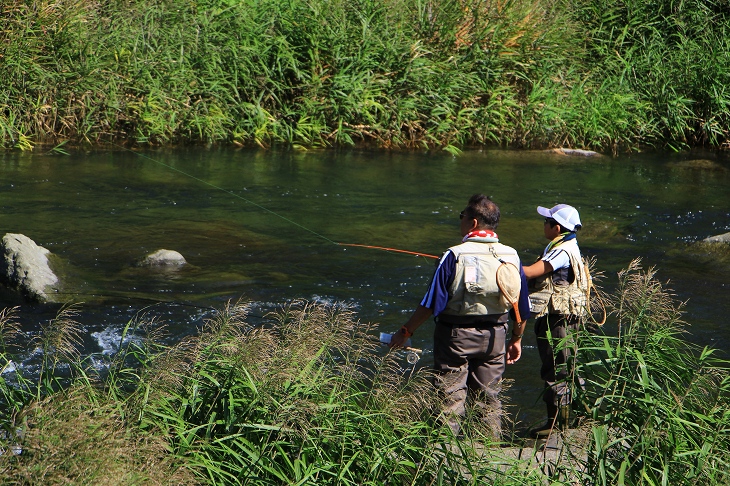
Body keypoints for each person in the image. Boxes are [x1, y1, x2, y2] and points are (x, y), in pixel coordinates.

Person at [389, 194, 530, 438]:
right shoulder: (512, 255)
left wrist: (405, 332)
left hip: (455, 337)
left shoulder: (453, 255)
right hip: (496, 337)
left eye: (462, 216)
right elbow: (522, 306)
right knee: (488, 401)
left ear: (473, 223)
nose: (461, 221)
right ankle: (486, 455)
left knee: (449, 399)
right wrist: (516, 339)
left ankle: (443, 456)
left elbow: (430, 304)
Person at [523, 204, 588, 437]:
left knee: (557, 368)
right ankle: (571, 420)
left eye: (546, 221)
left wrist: (504, 267)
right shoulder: (568, 245)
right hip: (565, 317)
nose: (543, 225)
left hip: (559, 319)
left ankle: (556, 426)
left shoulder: (561, 251)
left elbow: (531, 272)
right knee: (566, 366)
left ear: (557, 227)